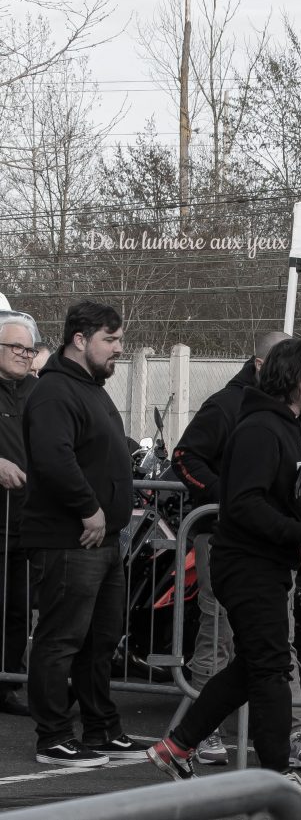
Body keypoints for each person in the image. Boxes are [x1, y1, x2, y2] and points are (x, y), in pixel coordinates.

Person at [148, 338, 301, 814]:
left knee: (255, 664)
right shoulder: (258, 428)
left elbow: (289, 495)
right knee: (272, 668)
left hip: (267, 562)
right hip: (245, 564)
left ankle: (177, 746)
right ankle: (276, 779)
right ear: (295, 378)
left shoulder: (295, 428)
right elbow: (244, 504)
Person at [22, 301, 146, 766]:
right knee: (61, 641)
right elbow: (54, 458)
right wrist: (90, 509)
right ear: (80, 339)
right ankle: (53, 737)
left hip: (106, 540)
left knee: (100, 642)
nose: (118, 349)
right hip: (72, 540)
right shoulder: (55, 391)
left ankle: (101, 730)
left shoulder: (90, 387)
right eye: (110, 340)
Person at [0, 316, 39, 716]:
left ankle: (10, 682)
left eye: (28, 349)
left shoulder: (41, 393)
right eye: (15, 348)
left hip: (27, 523)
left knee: (18, 607)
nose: (23, 355)